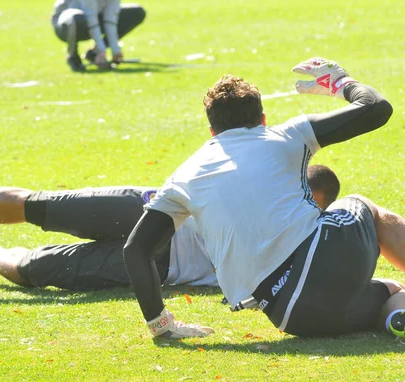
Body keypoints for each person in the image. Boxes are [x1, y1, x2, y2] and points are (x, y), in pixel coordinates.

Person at [123, 57, 405, 340]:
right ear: (263, 120)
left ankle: (396, 318)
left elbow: (136, 249)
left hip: (291, 315)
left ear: (212, 132)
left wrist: (160, 325)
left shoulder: (182, 175)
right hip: (319, 260)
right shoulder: (284, 136)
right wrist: (341, 83)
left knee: (391, 290)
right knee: (363, 205)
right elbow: (376, 108)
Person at [0, 166, 339, 291]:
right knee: (35, 205)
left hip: (157, 265)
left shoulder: (306, 238)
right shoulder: (254, 181)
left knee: (31, 272)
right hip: (143, 209)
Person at [51, 0, 146, 72]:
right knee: (75, 19)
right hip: (66, 22)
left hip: (95, 15)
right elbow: (90, 13)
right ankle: (73, 57)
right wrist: (102, 48)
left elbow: (111, 14)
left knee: (137, 12)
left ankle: (94, 53)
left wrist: (115, 49)